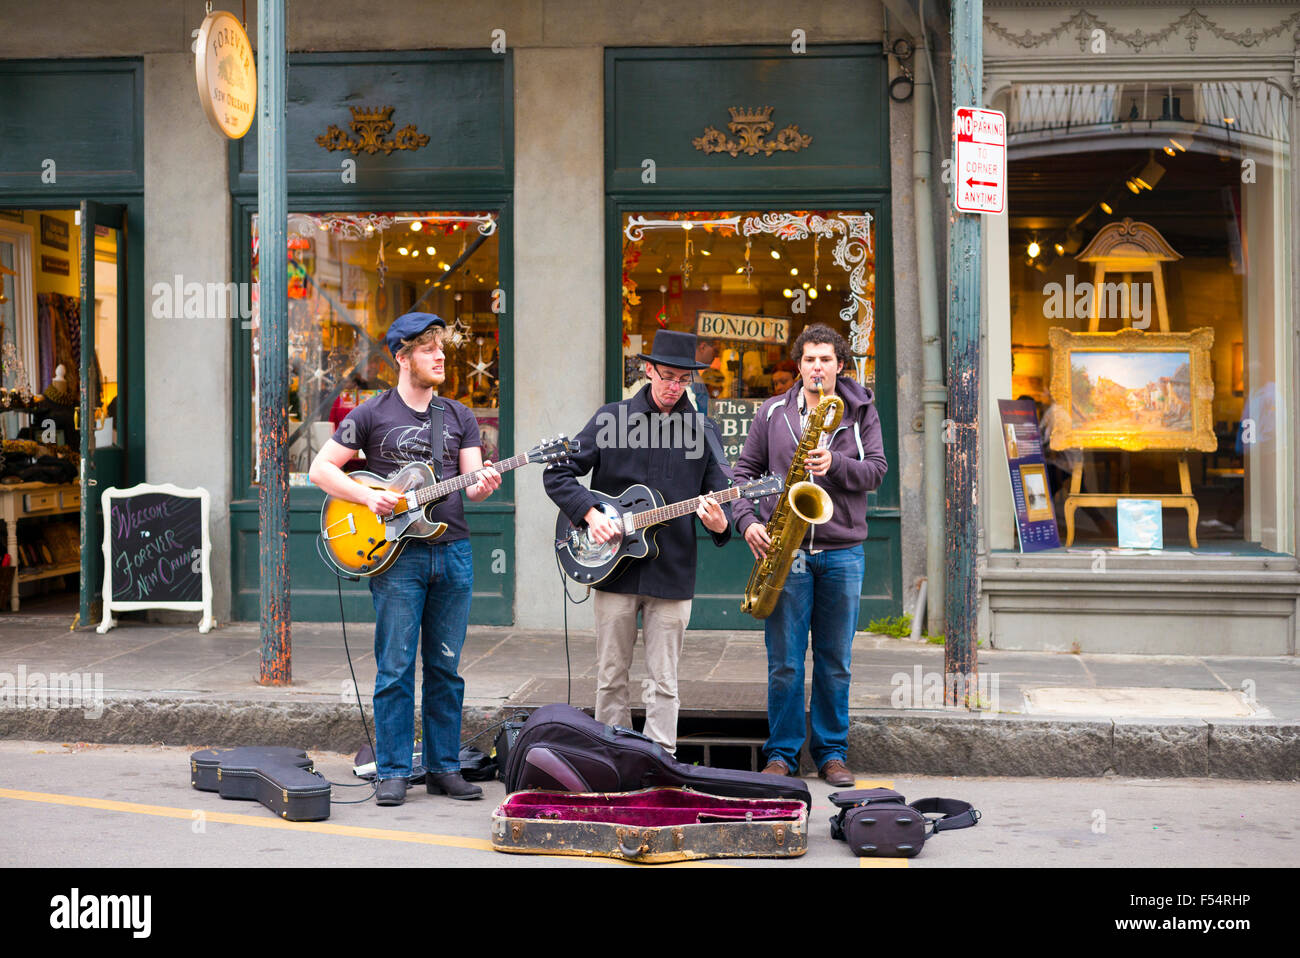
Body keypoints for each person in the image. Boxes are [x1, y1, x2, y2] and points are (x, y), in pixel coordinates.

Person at [308, 312, 500, 806]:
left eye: (442, 349)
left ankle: (443, 768)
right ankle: (393, 770)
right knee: (394, 667)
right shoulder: (371, 414)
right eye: (429, 349)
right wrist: (366, 497)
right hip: (396, 557)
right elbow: (320, 469)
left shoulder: (458, 416)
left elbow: (473, 484)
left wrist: (483, 485)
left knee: (445, 667)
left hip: (452, 551)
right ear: (402, 356)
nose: (441, 357)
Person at [544, 329, 733, 754]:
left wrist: (721, 523)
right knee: (611, 675)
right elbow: (556, 473)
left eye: (684, 380)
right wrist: (590, 514)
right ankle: (610, 756)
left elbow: (721, 500)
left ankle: (661, 760)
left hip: (673, 571)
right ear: (647, 369)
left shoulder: (704, 429)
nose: (674, 387)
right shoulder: (611, 419)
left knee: (664, 681)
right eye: (667, 376)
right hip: (613, 569)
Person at [731, 323, 888, 786]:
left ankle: (832, 754)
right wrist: (747, 521)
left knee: (835, 660)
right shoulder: (773, 412)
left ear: (840, 365)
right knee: (784, 661)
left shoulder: (861, 412)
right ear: (798, 366)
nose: (817, 367)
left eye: (825, 360)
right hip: (787, 551)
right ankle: (781, 754)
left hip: (843, 552)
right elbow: (743, 472)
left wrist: (835, 465)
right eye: (809, 360)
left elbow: (877, 471)